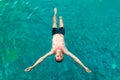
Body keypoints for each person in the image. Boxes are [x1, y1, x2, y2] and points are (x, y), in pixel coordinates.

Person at [24, 8, 91, 73]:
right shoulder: (65, 50)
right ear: (63, 55)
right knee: (61, 22)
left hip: (54, 33)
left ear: (55, 56)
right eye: (61, 56)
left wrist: (33, 66)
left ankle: (55, 13)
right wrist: (84, 67)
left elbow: (42, 58)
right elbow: (75, 58)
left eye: (57, 56)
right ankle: (61, 17)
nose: (59, 55)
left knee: (54, 22)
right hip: (62, 33)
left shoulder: (52, 51)